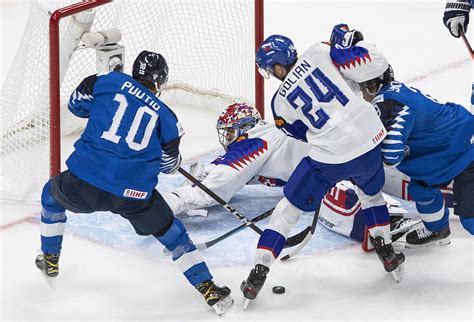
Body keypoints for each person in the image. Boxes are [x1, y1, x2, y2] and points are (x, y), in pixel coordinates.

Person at [35, 50, 233, 315]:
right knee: (173, 235)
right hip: (133, 194)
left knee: (50, 195)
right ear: (160, 81)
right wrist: (171, 161)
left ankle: (50, 258)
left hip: (85, 180)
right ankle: (210, 291)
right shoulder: (168, 118)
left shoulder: (105, 80)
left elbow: (75, 105)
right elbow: (167, 165)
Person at [240, 24, 406, 305]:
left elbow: (300, 134)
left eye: (270, 70)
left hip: (329, 158)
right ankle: (386, 251)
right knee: (371, 194)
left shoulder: (279, 103)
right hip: (369, 141)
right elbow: (362, 71)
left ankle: (259, 271)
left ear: (278, 67)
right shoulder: (320, 50)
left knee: (287, 210)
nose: (271, 76)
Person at [163, 103, 417, 251]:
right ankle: (435, 193)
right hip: (356, 146)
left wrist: (177, 200)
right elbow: (223, 170)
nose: (227, 139)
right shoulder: (271, 132)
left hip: (331, 166)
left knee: (333, 200)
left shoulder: (254, 142)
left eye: (229, 133)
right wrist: (200, 176)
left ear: (243, 128)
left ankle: (391, 225)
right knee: (386, 174)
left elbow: (215, 189)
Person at [355, 52, 474, 247]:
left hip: (464, 152)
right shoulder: (392, 93)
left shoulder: (386, 103)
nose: (360, 93)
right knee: (421, 189)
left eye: (361, 87)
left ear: (372, 85)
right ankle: (438, 230)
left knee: (471, 221)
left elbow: (392, 154)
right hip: (446, 151)